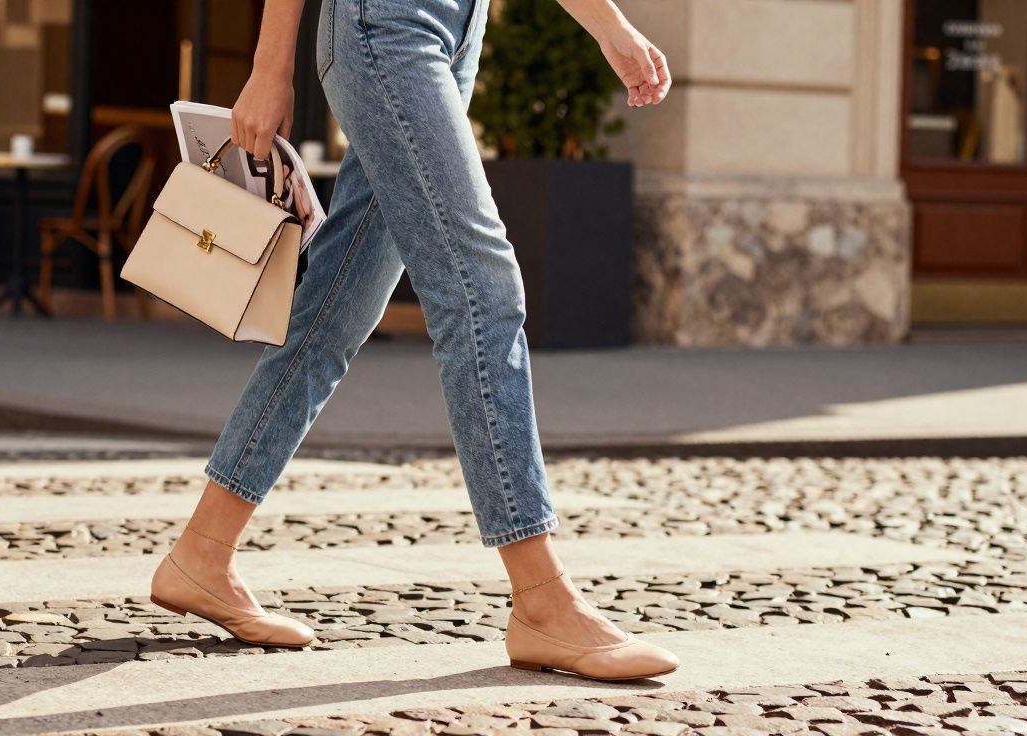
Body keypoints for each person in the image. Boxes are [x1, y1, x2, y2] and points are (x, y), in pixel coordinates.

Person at [150, 0, 677, 682]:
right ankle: (543, 601)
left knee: (336, 309)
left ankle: (203, 551)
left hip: (454, 34)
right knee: (480, 290)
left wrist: (611, 25)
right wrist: (269, 68)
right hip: (384, 25)